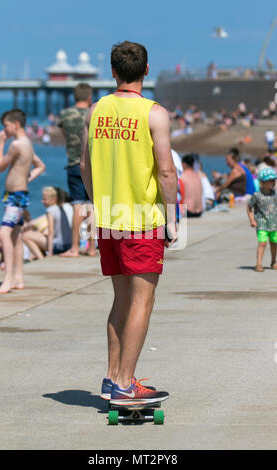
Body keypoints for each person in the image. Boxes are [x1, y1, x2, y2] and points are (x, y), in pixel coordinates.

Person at [80, 40, 178, 404]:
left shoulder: (96, 110)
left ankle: (111, 377)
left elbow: (84, 167)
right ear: (146, 71)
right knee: (142, 301)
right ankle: (125, 383)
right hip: (142, 219)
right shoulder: (154, 114)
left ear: (113, 71)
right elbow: (166, 171)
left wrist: (97, 203)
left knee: (120, 300)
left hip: (108, 217)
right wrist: (173, 218)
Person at [0, 109, 45, 294]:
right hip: (16, 195)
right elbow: (40, 166)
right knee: (16, 236)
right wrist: (27, 177)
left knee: (3, 234)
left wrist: (1, 143)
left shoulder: (16, 144)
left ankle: (8, 278)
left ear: (15, 125)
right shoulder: (28, 144)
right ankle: (18, 278)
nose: (4, 130)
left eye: (6, 126)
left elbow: (0, 166)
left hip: (15, 197)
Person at [58, 83, 96, 257]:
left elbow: (65, 136)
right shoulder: (93, 113)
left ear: (74, 97)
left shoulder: (65, 114)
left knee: (77, 206)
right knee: (92, 206)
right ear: (89, 98)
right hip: (94, 164)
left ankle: (74, 248)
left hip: (74, 163)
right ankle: (91, 247)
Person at [247, 168, 277, 272]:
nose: (273, 182)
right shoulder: (257, 195)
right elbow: (249, 207)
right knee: (262, 243)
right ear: (262, 182)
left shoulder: (276, 194)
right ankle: (258, 264)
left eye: (274, 180)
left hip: (274, 224)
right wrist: (252, 220)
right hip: (262, 224)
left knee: (274, 243)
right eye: (270, 180)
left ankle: (273, 261)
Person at [23, 187, 72, 258]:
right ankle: (43, 256)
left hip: (59, 246)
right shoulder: (61, 208)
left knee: (25, 236)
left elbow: (51, 232)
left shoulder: (51, 210)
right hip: (69, 244)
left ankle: (42, 258)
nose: (42, 201)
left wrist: (50, 252)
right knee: (36, 234)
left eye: (44, 199)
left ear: (53, 200)